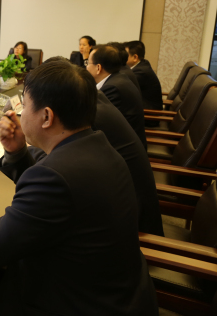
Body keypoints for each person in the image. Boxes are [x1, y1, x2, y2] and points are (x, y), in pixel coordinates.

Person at [0, 61, 158, 316]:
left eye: (24, 105)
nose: (20, 113)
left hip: (77, 303)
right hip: (118, 293)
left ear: (46, 117)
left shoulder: (54, 176)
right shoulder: (99, 146)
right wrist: (17, 153)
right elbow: (55, 199)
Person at [30, 56, 163, 236]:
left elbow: (59, 162)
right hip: (119, 199)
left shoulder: (84, 116)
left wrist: (30, 142)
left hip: (131, 220)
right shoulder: (90, 101)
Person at [87, 45, 147, 149]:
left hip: (123, 152)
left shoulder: (112, 88)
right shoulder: (118, 79)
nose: (86, 67)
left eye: (88, 63)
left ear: (98, 68)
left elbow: (97, 124)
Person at [126, 41, 163, 124]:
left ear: (135, 57)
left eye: (125, 55)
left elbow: (123, 87)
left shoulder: (141, 72)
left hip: (149, 116)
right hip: (144, 110)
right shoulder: (142, 65)